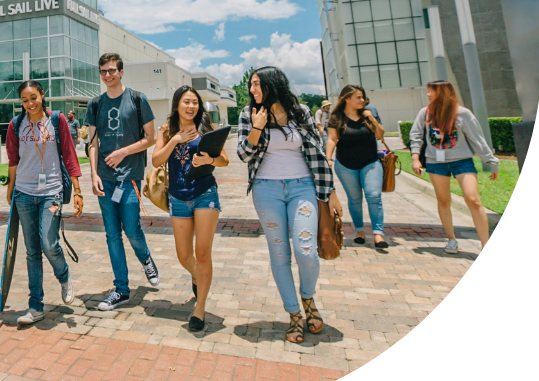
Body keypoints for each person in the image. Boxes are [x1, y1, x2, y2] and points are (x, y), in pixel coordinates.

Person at [237, 67, 342, 344]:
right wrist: (258, 126)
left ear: (273, 85)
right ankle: (294, 313)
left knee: (306, 250)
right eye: (251, 85)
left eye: (257, 84)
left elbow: (317, 151)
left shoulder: (300, 111)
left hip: (302, 187)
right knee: (280, 254)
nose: (252, 90)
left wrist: (330, 191)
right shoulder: (249, 114)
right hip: (266, 189)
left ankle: (308, 298)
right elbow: (243, 154)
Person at [5, 80, 84, 325]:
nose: (30, 103)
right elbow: (12, 159)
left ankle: (64, 275)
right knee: (32, 251)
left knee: (49, 244)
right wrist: (10, 190)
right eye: (25, 100)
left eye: (33, 98)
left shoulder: (57, 120)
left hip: (52, 191)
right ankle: (35, 306)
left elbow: (70, 155)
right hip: (24, 193)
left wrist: (79, 190)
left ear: (42, 95)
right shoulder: (16, 124)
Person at [85, 53, 160, 311]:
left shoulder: (138, 100)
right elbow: (92, 143)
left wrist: (123, 151)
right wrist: (93, 173)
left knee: (131, 229)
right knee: (112, 235)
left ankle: (146, 259)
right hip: (104, 181)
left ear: (121, 72)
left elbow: (151, 138)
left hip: (130, 177)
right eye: (103, 71)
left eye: (112, 70)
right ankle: (121, 290)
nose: (108, 75)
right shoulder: (95, 104)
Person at [152, 86, 229, 332]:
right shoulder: (166, 130)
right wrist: (174, 140)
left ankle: (200, 309)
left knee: (203, 253)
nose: (191, 106)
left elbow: (224, 160)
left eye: (195, 102)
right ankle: (198, 275)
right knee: (184, 256)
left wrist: (209, 160)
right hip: (178, 197)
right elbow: (155, 161)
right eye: (186, 102)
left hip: (205, 194)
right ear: (177, 105)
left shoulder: (206, 128)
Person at [409, 80, 499, 252]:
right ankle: (451, 239)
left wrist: (491, 161)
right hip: (436, 162)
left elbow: (477, 139)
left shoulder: (462, 114)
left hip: (462, 161)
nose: (428, 94)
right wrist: (415, 158)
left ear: (443, 93)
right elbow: (416, 135)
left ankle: (486, 245)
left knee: (473, 199)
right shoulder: (426, 112)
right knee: (443, 200)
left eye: (432, 91)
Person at [325, 84, 388, 249]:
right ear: (347, 99)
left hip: (370, 162)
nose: (362, 100)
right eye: (358, 97)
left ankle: (378, 234)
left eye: (363, 97)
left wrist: (372, 118)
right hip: (345, 164)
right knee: (355, 199)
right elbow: (332, 139)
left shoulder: (369, 113)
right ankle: (360, 232)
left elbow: (380, 135)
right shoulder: (336, 117)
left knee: (374, 196)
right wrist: (328, 158)